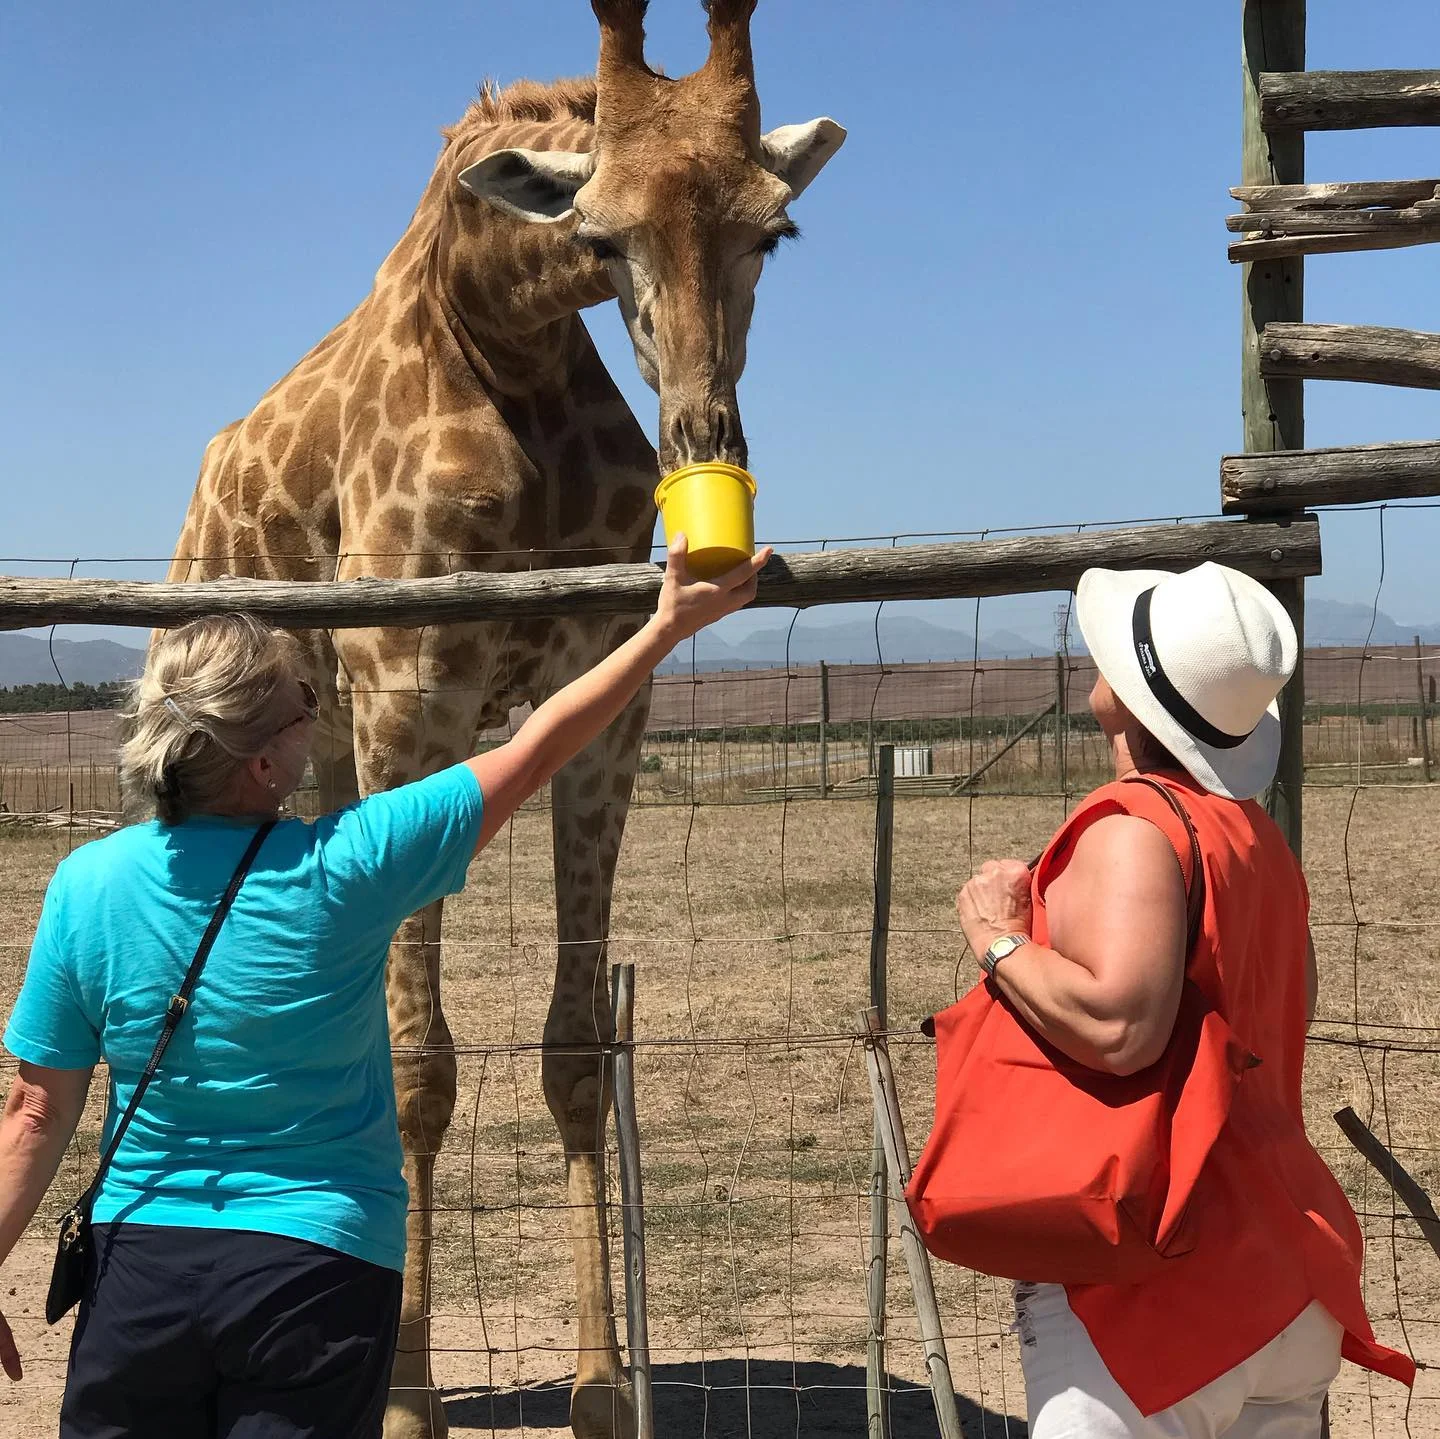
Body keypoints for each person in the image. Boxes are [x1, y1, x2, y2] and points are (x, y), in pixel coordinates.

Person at [0, 534, 769, 1439]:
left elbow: (35, 1113)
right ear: (260, 763)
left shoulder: (85, 885)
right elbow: (538, 746)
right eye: (303, 708)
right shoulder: (348, 865)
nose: (315, 719)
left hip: (142, 1273)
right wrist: (666, 627)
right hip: (317, 1270)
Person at [953, 562, 1413, 1439]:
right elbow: (1290, 1004)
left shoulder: (1132, 826)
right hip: (1283, 1272)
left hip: (1155, 1288)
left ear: (1128, 696)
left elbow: (1119, 1024)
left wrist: (996, 939)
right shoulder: (1258, 841)